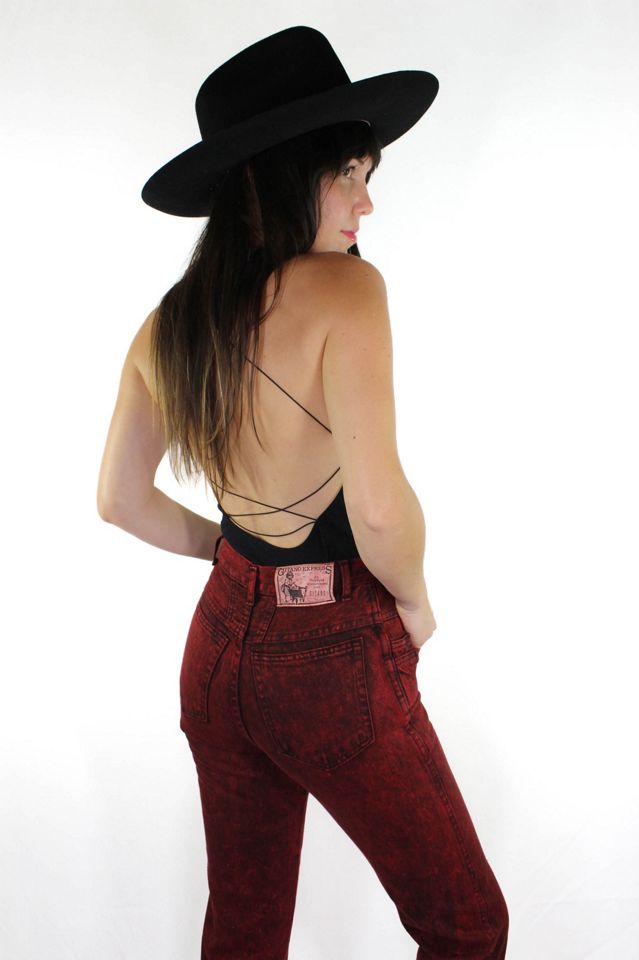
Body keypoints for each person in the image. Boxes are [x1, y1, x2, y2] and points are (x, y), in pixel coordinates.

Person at [97, 25, 509, 960]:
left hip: (214, 655)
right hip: (332, 660)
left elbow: (119, 500)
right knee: (469, 926)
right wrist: (414, 601)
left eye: (369, 173)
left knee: (244, 928)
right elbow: (379, 508)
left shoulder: (167, 325)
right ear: (275, 176)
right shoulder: (348, 293)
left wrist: (230, 559)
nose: (367, 200)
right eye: (346, 174)